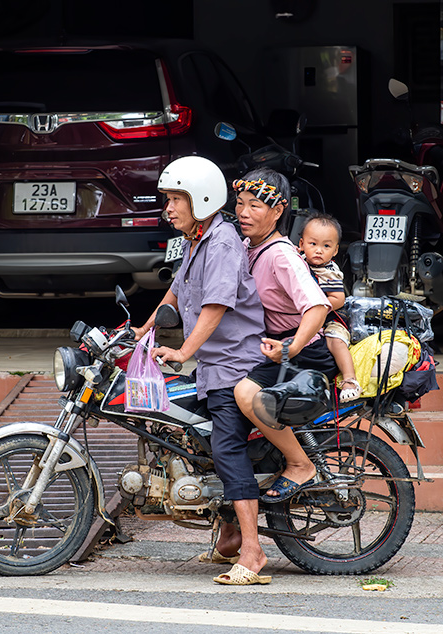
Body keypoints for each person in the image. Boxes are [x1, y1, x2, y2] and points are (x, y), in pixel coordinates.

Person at [131, 155, 271, 586]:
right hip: (215, 366)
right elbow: (177, 290)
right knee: (197, 437)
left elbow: (216, 305)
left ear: (203, 198)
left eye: (177, 198)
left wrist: (182, 352)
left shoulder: (223, 241)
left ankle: (253, 552)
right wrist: (146, 327)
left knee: (227, 448)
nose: (169, 207)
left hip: (236, 365)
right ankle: (228, 536)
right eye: (168, 198)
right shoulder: (196, 240)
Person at [232, 167, 338, 503]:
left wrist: (290, 347)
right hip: (273, 346)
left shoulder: (281, 256)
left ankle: (299, 464)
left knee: (246, 394)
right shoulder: (250, 245)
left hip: (302, 351)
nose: (243, 212)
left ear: (278, 211)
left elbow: (318, 308)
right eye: (240, 202)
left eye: (255, 205)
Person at [298, 212, 360, 402]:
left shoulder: (329, 272)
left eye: (326, 246)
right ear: (301, 244)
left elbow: (338, 299)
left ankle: (350, 379)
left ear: (334, 251)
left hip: (332, 318)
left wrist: (316, 308)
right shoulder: (296, 260)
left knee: (336, 341)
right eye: (313, 244)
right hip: (310, 317)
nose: (318, 250)